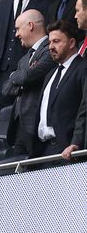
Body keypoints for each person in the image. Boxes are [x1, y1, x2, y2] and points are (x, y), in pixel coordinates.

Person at [2, 10, 55, 155]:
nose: (16, 34)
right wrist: (20, 80)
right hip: (19, 127)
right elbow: (5, 89)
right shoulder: (24, 58)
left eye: (18, 29)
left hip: (36, 125)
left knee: (36, 166)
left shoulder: (50, 49)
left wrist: (16, 77)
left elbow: (27, 77)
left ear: (31, 25)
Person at [33, 20, 86, 157]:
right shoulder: (50, 74)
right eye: (49, 42)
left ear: (72, 43)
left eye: (56, 41)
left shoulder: (83, 68)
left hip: (68, 150)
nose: (51, 47)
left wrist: (76, 142)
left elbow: (84, 109)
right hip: (43, 150)